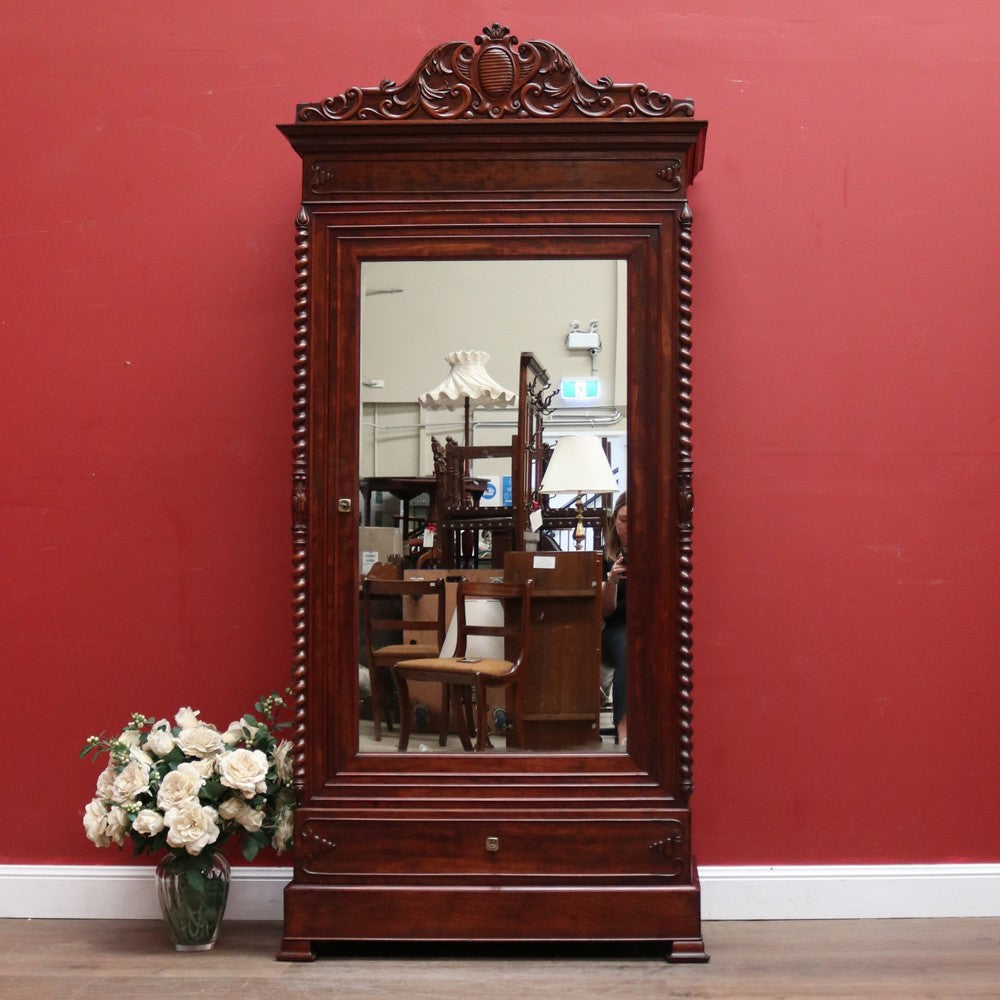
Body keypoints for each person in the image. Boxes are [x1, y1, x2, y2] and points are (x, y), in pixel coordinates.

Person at [601, 492, 628, 747]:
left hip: (653, 623)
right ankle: (624, 730)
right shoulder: (607, 557)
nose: (628, 527)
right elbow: (605, 612)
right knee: (628, 650)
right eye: (623, 520)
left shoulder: (659, 551)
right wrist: (611, 580)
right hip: (618, 626)